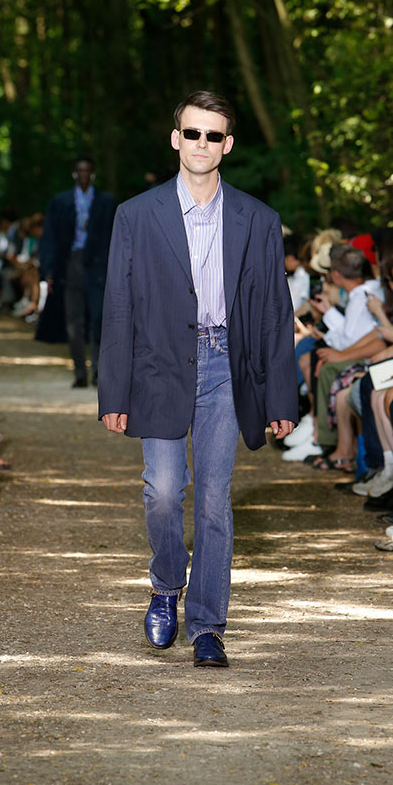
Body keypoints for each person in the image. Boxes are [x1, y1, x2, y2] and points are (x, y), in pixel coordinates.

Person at [98, 90, 297, 668]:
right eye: (192, 133)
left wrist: (280, 397)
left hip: (227, 364)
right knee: (163, 491)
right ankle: (166, 585)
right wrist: (114, 390)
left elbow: (275, 311)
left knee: (213, 499)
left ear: (227, 144)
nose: (201, 143)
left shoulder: (258, 219)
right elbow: (118, 306)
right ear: (175, 138)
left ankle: (208, 624)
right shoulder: (136, 214)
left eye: (213, 135)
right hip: (159, 364)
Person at [38, 156, 117, 387]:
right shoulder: (60, 202)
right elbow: (49, 237)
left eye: (87, 171)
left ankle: (99, 370)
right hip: (69, 265)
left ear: (93, 173)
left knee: (99, 318)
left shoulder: (106, 202)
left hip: (98, 266)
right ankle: (80, 372)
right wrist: (48, 270)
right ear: (74, 173)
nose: (84, 175)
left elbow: (115, 236)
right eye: (80, 171)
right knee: (74, 321)